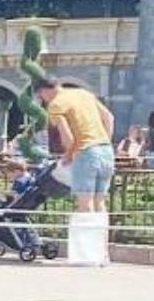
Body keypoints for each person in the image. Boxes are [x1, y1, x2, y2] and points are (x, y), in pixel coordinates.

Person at [34, 73, 114, 216]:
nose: (43, 99)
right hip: (106, 150)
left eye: (40, 96)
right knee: (99, 203)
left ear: (43, 91)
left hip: (85, 152)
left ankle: (88, 238)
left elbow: (69, 139)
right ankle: (101, 238)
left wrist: (67, 157)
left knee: (85, 204)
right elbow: (109, 117)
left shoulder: (55, 105)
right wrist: (105, 141)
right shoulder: (83, 93)